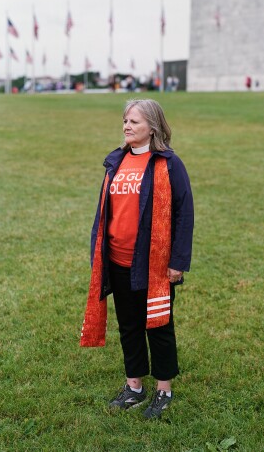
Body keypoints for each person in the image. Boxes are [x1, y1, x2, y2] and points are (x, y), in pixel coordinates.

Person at [80, 99, 194, 420]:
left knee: (158, 325)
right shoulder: (116, 161)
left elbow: (184, 213)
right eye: (125, 121)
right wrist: (98, 253)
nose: (127, 126)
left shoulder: (168, 164)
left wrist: (177, 261)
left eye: (134, 122)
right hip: (117, 260)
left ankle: (163, 390)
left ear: (152, 127)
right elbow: (104, 212)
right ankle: (134, 386)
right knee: (129, 326)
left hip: (154, 264)